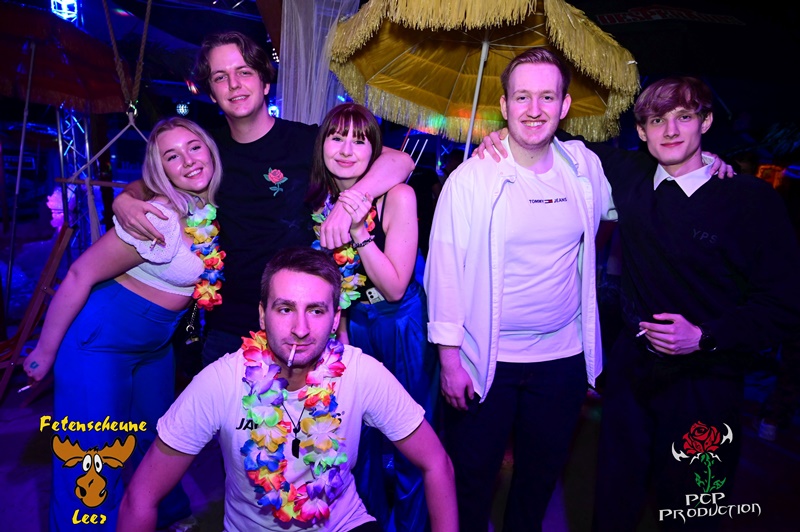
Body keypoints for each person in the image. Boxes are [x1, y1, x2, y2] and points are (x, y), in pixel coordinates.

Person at [112, 31, 414, 368]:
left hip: (302, 325)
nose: (234, 85)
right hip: (229, 328)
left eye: (244, 72)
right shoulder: (206, 152)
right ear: (211, 93)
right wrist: (124, 200)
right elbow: (152, 181)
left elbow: (400, 161)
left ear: (265, 82)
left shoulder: (306, 141)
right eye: (220, 77)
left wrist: (349, 204)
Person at [584, 77, 800, 530]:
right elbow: (553, 134)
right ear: (641, 131)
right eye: (656, 120)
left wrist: (705, 336)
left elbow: (783, 304)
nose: (670, 131)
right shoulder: (629, 176)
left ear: (706, 121)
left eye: (683, 117)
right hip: (631, 372)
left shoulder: (751, 201)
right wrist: (498, 142)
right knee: (613, 499)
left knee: (694, 509)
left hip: (708, 381)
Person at [117, 247, 457, 532]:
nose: (300, 329)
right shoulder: (220, 382)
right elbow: (141, 498)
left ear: (335, 319)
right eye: (285, 309)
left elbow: (436, 463)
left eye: (316, 310)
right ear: (262, 315)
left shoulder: (361, 373)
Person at [424, 48, 616, 531]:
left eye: (547, 97)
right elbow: (443, 271)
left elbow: (626, 204)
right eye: (522, 96)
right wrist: (450, 361)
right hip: (484, 362)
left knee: (538, 482)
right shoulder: (471, 179)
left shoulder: (584, 168)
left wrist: (705, 161)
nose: (534, 109)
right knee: (471, 482)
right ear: (504, 106)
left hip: (562, 361)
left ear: (564, 105)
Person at [22, 117, 225, 530]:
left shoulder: (203, 208)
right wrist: (43, 351)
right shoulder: (158, 217)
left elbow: (138, 188)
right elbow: (79, 274)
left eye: (194, 147)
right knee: (91, 455)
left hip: (156, 346)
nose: (188, 161)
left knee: (158, 437)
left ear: (210, 149)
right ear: (161, 169)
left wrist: (127, 195)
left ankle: (160, 514)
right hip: (100, 344)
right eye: (172, 156)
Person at [306, 103, 439, 531]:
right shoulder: (319, 200)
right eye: (336, 138)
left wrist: (359, 229)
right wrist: (342, 331)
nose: (346, 150)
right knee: (358, 442)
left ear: (374, 152)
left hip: (400, 325)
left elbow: (395, 286)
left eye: (359, 141)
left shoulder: (397, 196)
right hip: (355, 326)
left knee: (408, 441)